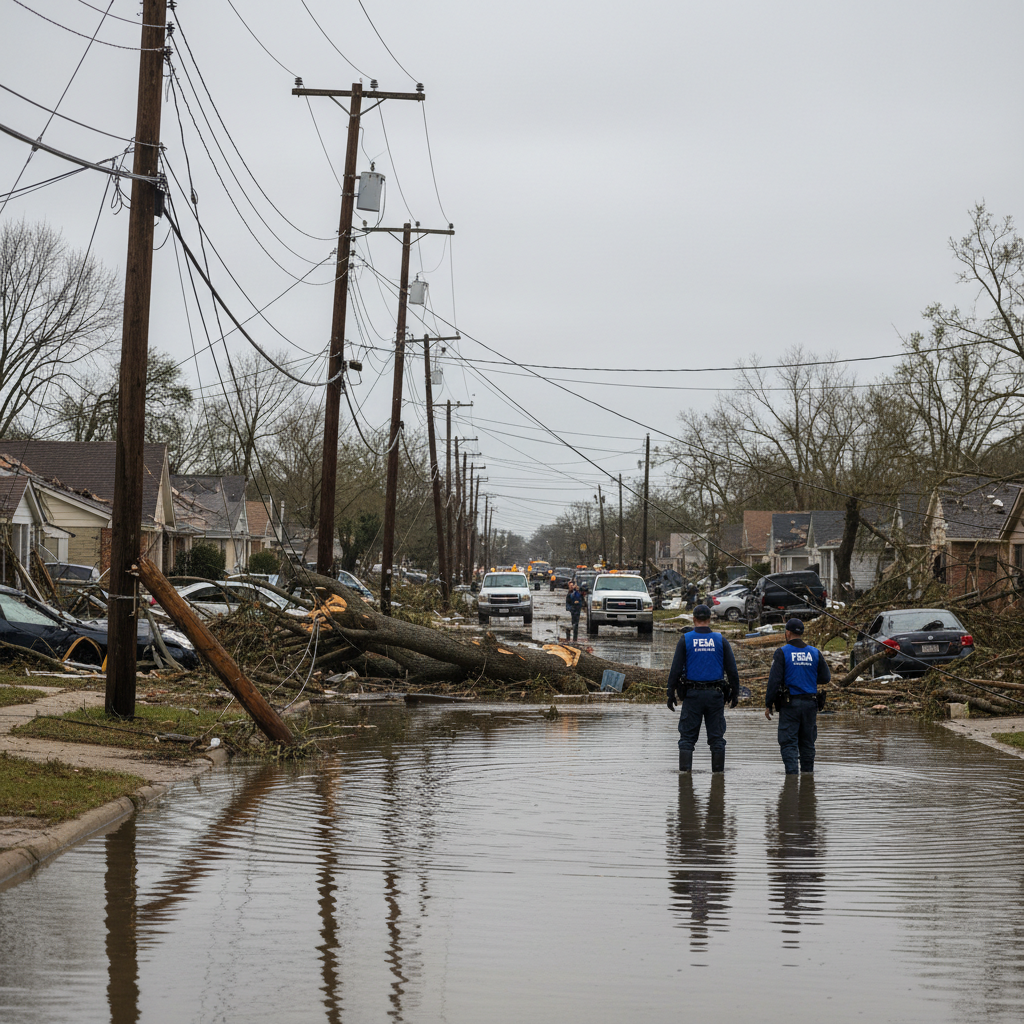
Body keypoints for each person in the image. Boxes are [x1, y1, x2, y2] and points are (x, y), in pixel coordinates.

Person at [666, 604, 740, 773]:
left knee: (686, 739)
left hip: (692, 696)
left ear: (693, 619)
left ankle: (684, 780)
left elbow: (675, 670)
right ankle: (718, 779)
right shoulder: (721, 640)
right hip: (715, 696)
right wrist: (735, 693)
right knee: (717, 739)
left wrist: (670, 693)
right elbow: (732, 671)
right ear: (710, 619)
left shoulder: (686, 639)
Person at [764, 617, 831, 774]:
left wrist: (769, 703)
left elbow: (774, 681)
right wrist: (807, 676)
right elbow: (825, 678)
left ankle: (791, 780)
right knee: (808, 743)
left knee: (788, 743)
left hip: (790, 705)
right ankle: (808, 779)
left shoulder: (782, 652)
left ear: (787, 633)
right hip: (810, 705)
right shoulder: (815, 652)